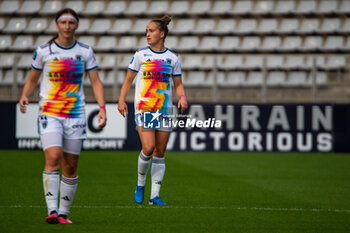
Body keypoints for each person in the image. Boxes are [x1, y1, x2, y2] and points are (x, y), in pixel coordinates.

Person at [19, 8, 107, 224]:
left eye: (71, 22)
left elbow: (95, 81)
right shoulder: (43, 51)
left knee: (70, 166)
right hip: (50, 112)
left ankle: (64, 213)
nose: (67, 26)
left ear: (76, 25)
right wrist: (24, 95)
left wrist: (103, 108)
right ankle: (52, 211)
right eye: (63, 22)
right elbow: (32, 79)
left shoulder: (85, 51)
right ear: (57, 25)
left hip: (75, 114)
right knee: (53, 157)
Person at [118, 15, 188, 205]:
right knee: (148, 148)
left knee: (160, 151)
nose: (147, 34)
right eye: (147, 31)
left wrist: (182, 97)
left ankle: (154, 196)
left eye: (151, 31)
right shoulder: (141, 55)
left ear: (162, 33)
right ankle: (140, 185)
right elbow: (128, 80)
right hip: (145, 108)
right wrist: (122, 100)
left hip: (165, 109)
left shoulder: (172, 58)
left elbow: (178, 84)